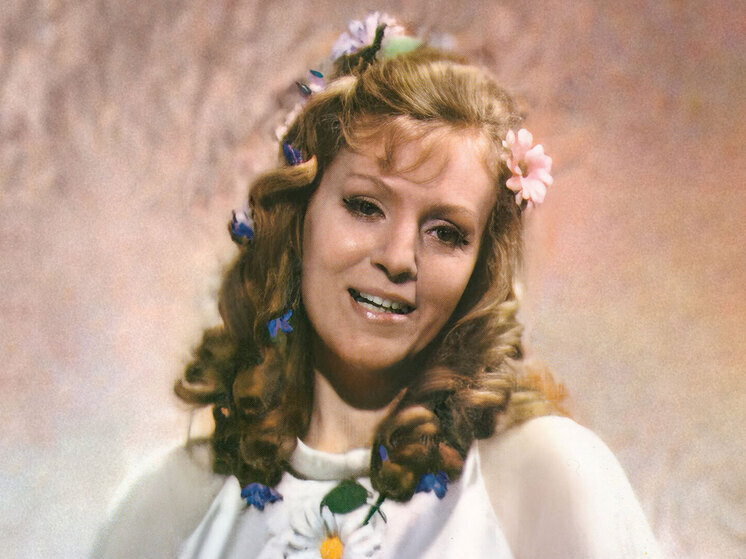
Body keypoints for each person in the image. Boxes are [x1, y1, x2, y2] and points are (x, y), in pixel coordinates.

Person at [93, 13, 660, 559]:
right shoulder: (173, 506)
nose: (397, 258)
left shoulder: (545, 477)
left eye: (445, 233)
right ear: (299, 214)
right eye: (365, 206)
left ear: (480, 269)